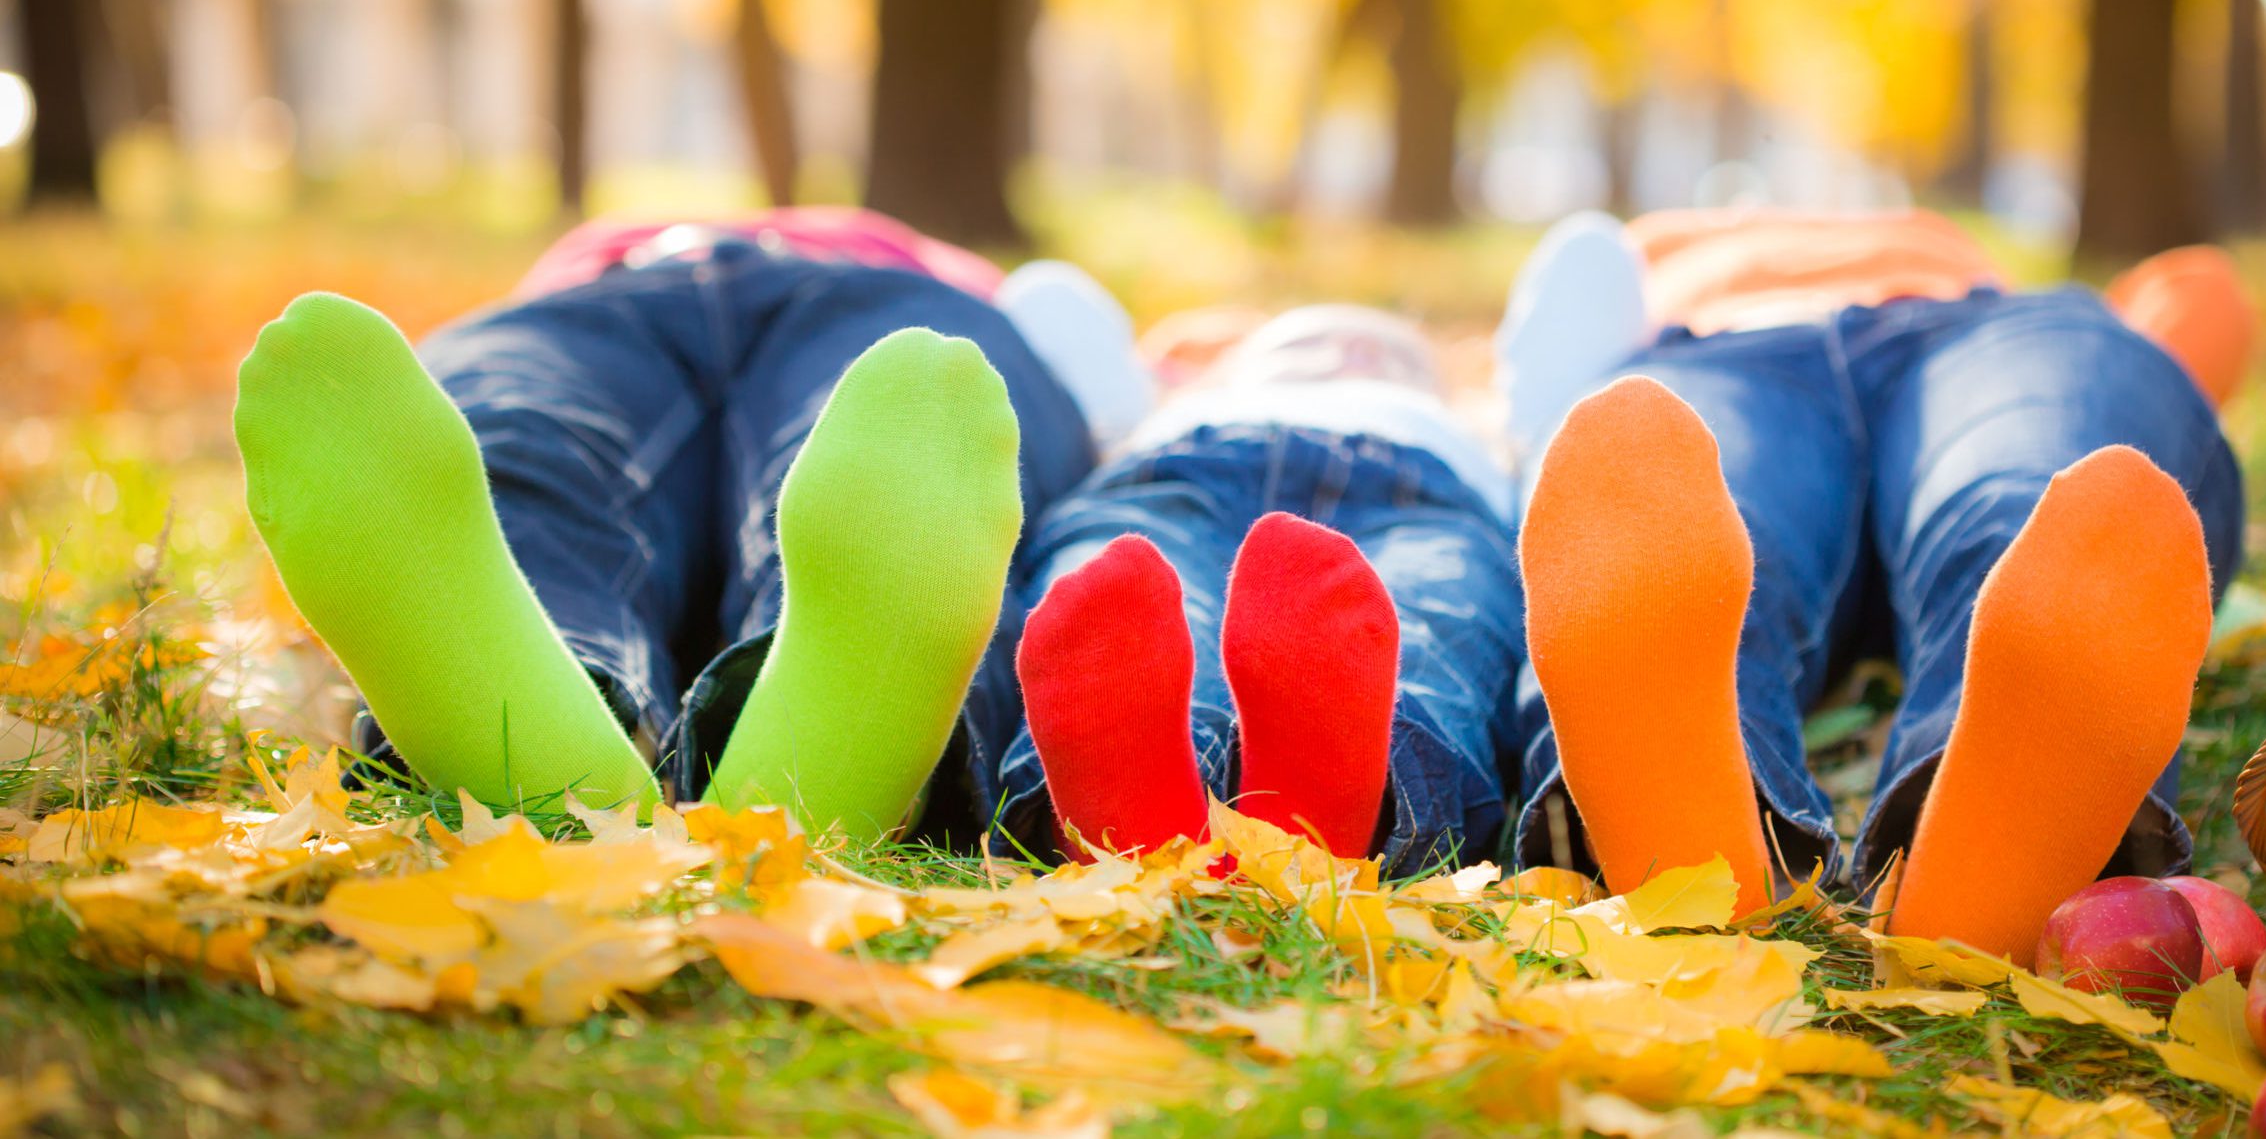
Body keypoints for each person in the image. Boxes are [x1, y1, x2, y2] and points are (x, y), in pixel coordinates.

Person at [233, 209, 1145, 840]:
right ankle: (823, 776)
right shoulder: (977, 282)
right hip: (655, 295)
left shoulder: (974, 284)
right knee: (528, 440)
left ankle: (551, 749)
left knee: (539, 450)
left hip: (683, 299)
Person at [1495, 208, 2251, 960]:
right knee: (1654, 514)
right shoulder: (1642, 250)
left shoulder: (1644, 235)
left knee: (2050, 530)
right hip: (1747, 346)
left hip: (1957, 328)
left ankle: (1723, 879)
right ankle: (1957, 885)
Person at [992, 306, 1526, 878]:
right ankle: (1145, 816)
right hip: (1185, 468)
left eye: (1389, 353)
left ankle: (1303, 820)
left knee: (1425, 618)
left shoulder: (1482, 427)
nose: (1351, 351)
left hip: (1422, 493)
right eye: (1306, 341)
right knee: (1116, 610)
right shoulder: (1172, 403)